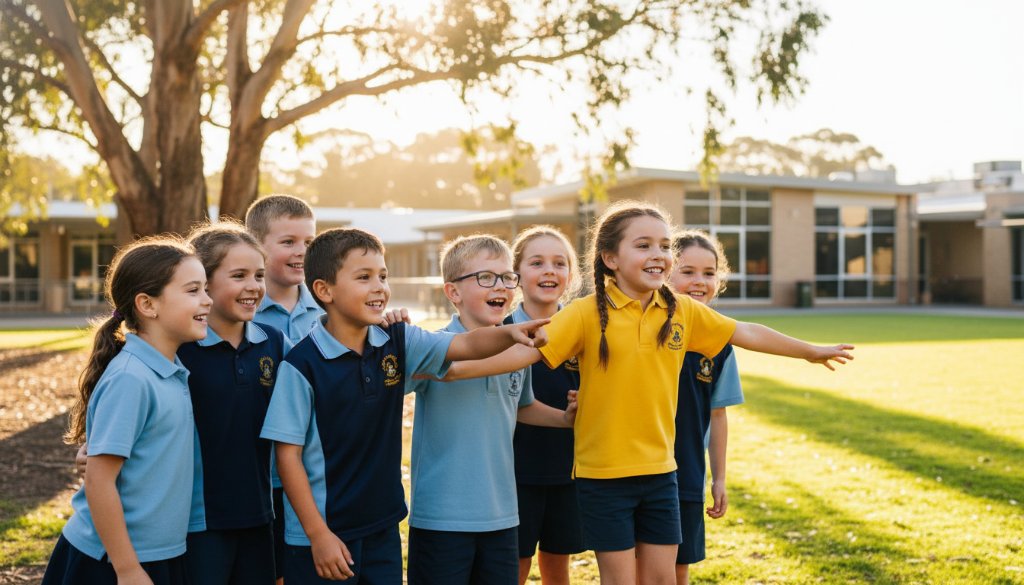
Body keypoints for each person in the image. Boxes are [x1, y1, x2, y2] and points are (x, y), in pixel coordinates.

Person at [441, 200, 854, 584]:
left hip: (661, 474)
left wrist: (808, 351)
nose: (658, 254)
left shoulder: (682, 311)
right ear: (610, 259)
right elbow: (522, 355)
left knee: (661, 580)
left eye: (664, 245)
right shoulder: (584, 314)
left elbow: (743, 331)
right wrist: (453, 370)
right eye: (643, 245)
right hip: (603, 479)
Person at [259, 228, 555, 585]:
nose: (379, 287)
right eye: (364, 277)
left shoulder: (399, 341)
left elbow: (466, 346)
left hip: (383, 526)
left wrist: (510, 333)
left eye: (383, 276)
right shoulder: (301, 365)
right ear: (325, 290)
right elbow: (286, 456)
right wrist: (317, 534)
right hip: (323, 536)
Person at [405, 234, 575, 585]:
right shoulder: (434, 346)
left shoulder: (517, 348)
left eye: (506, 278)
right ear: (453, 292)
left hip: (502, 516)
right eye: (486, 277)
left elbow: (523, 406)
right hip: (442, 518)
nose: (500, 286)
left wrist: (563, 419)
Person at [43, 237, 212, 585]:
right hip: (112, 562)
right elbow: (99, 481)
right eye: (194, 290)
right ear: (148, 305)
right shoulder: (131, 378)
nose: (207, 300)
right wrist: (127, 569)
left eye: (206, 288)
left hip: (158, 554)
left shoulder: (170, 369)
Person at [176, 221, 289, 585]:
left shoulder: (275, 342)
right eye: (239, 275)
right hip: (198, 521)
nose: (254, 287)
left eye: (258, 275)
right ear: (203, 283)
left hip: (262, 513)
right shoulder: (178, 347)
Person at [245, 193, 323, 584]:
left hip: (312, 476)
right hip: (254, 475)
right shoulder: (237, 311)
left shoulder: (331, 311)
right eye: (288, 242)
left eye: (309, 242)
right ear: (255, 246)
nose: (302, 252)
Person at [505, 227, 586, 585]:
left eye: (559, 263)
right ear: (517, 275)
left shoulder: (583, 330)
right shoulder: (501, 330)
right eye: (537, 263)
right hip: (513, 471)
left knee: (558, 565)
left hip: (568, 468)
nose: (549, 270)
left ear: (571, 276)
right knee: (515, 567)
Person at [667, 231, 744, 585]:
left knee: (679, 568)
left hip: (688, 476)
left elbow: (718, 414)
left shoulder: (722, 346)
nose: (700, 281)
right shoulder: (644, 329)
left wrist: (720, 477)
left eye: (709, 273)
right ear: (665, 272)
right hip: (637, 473)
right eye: (688, 272)